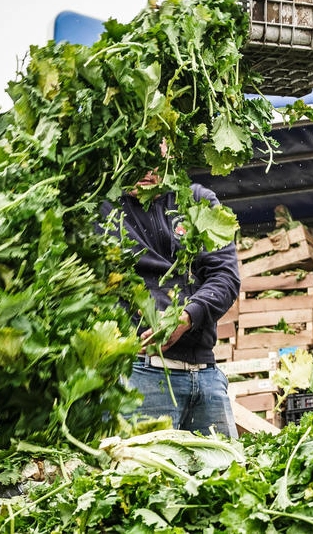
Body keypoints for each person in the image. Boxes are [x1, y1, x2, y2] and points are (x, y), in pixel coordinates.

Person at [100, 168, 241, 438]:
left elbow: (225, 277)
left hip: (205, 374)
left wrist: (187, 317)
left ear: (169, 150)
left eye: (156, 149)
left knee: (229, 475)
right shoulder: (102, 209)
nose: (145, 169)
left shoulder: (196, 200)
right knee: (147, 478)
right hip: (140, 374)